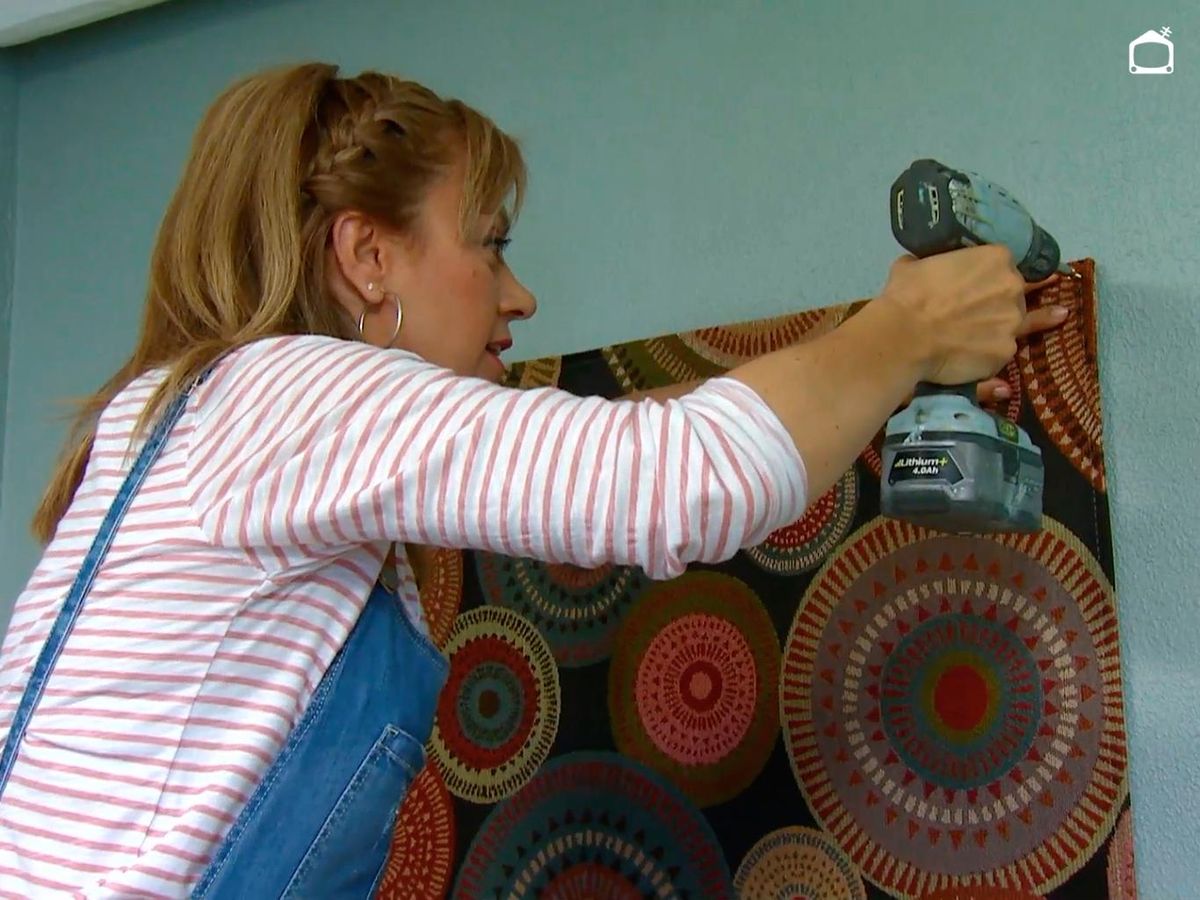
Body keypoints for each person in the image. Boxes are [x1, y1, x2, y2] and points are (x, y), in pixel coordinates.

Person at [0, 62, 1067, 897]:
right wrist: (910, 325)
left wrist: (885, 380)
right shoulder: (284, 394)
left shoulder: (197, 411)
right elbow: (674, 478)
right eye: (491, 244)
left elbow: (614, 447)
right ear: (367, 256)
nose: (520, 296)